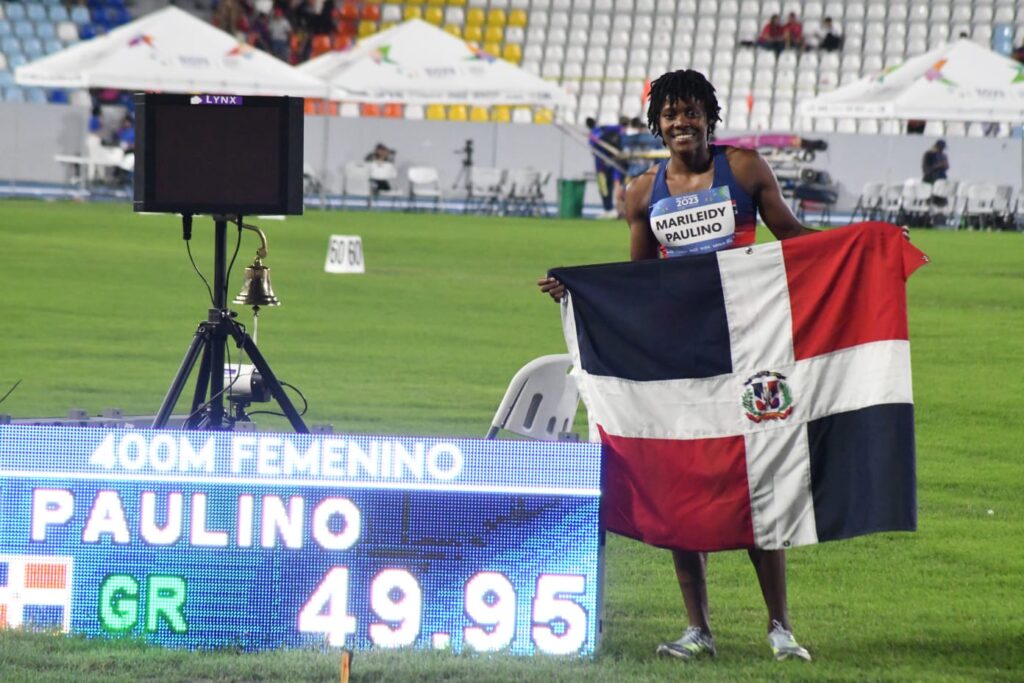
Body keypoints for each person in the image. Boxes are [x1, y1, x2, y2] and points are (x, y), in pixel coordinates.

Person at [539, 70, 820, 661]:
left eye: (690, 111)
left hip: (746, 348)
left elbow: (793, 236)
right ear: (657, 124)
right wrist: (580, 294)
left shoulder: (743, 170)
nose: (680, 122)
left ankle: (780, 627)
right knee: (679, 487)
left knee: (758, 484)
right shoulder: (642, 192)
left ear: (708, 117)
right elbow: (640, 283)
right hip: (678, 358)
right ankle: (699, 630)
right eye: (669, 114)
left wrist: (865, 244)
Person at [585, 116, 625, 219]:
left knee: (605, 188)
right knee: (615, 184)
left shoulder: (593, 134)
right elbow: (621, 129)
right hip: (613, 161)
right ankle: (614, 209)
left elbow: (593, 148)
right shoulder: (604, 128)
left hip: (601, 165)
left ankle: (609, 209)